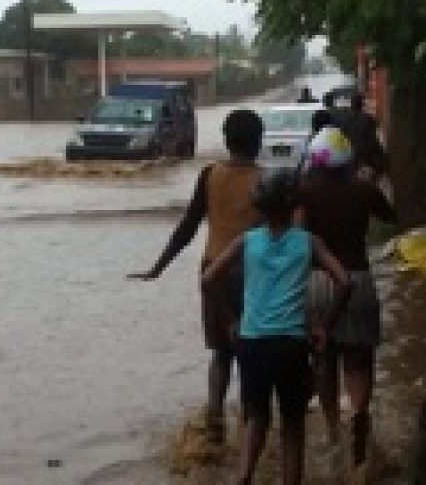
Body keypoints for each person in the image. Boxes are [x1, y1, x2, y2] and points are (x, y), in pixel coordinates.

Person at [202, 169, 352, 485]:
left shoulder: (247, 241)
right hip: (291, 344)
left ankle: (243, 478)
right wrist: (325, 326)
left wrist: (231, 319)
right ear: (294, 206)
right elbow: (345, 281)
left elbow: (209, 279)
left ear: (261, 208)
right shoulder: (308, 243)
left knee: (257, 418)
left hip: (252, 342)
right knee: (293, 426)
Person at [128, 109, 265, 443]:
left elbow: (187, 227)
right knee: (253, 356)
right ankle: (253, 429)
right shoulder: (268, 181)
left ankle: (215, 422)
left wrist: (158, 267)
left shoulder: (209, 175)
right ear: (259, 141)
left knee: (221, 353)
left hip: (213, 274)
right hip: (256, 277)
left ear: (226, 140)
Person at [299, 125, 396, 472]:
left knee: (324, 359)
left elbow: (295, 237)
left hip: (315, 281)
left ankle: (331, 430)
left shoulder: (303, 192)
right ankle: (359, 414)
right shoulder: (364, 189)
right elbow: (391, 218)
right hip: (357, 279)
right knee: (359, 360)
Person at [340, 93, 387, 181]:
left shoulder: (344, 120)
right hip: (365, 158)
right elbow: (373, 139)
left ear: (351, 104)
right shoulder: (367, 119)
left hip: (350, 159)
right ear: (362, 105)